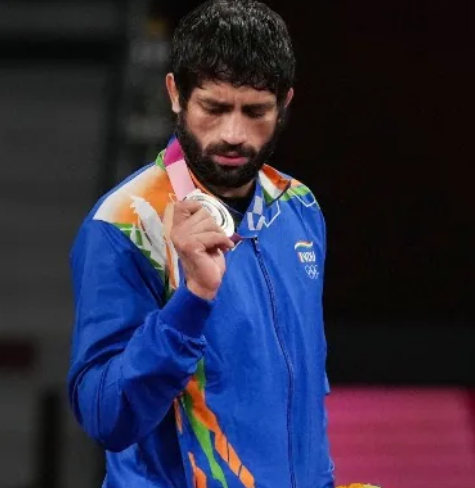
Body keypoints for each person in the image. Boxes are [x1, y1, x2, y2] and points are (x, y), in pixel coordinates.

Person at [66, 1, 336, 487]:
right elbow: (106, 416)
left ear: (285, 103)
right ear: (176, 94)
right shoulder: (125, 225)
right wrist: (193, 301)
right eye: (213, 107)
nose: (233, 133)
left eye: (255, 111)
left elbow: (304, 401)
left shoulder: (298, 208)